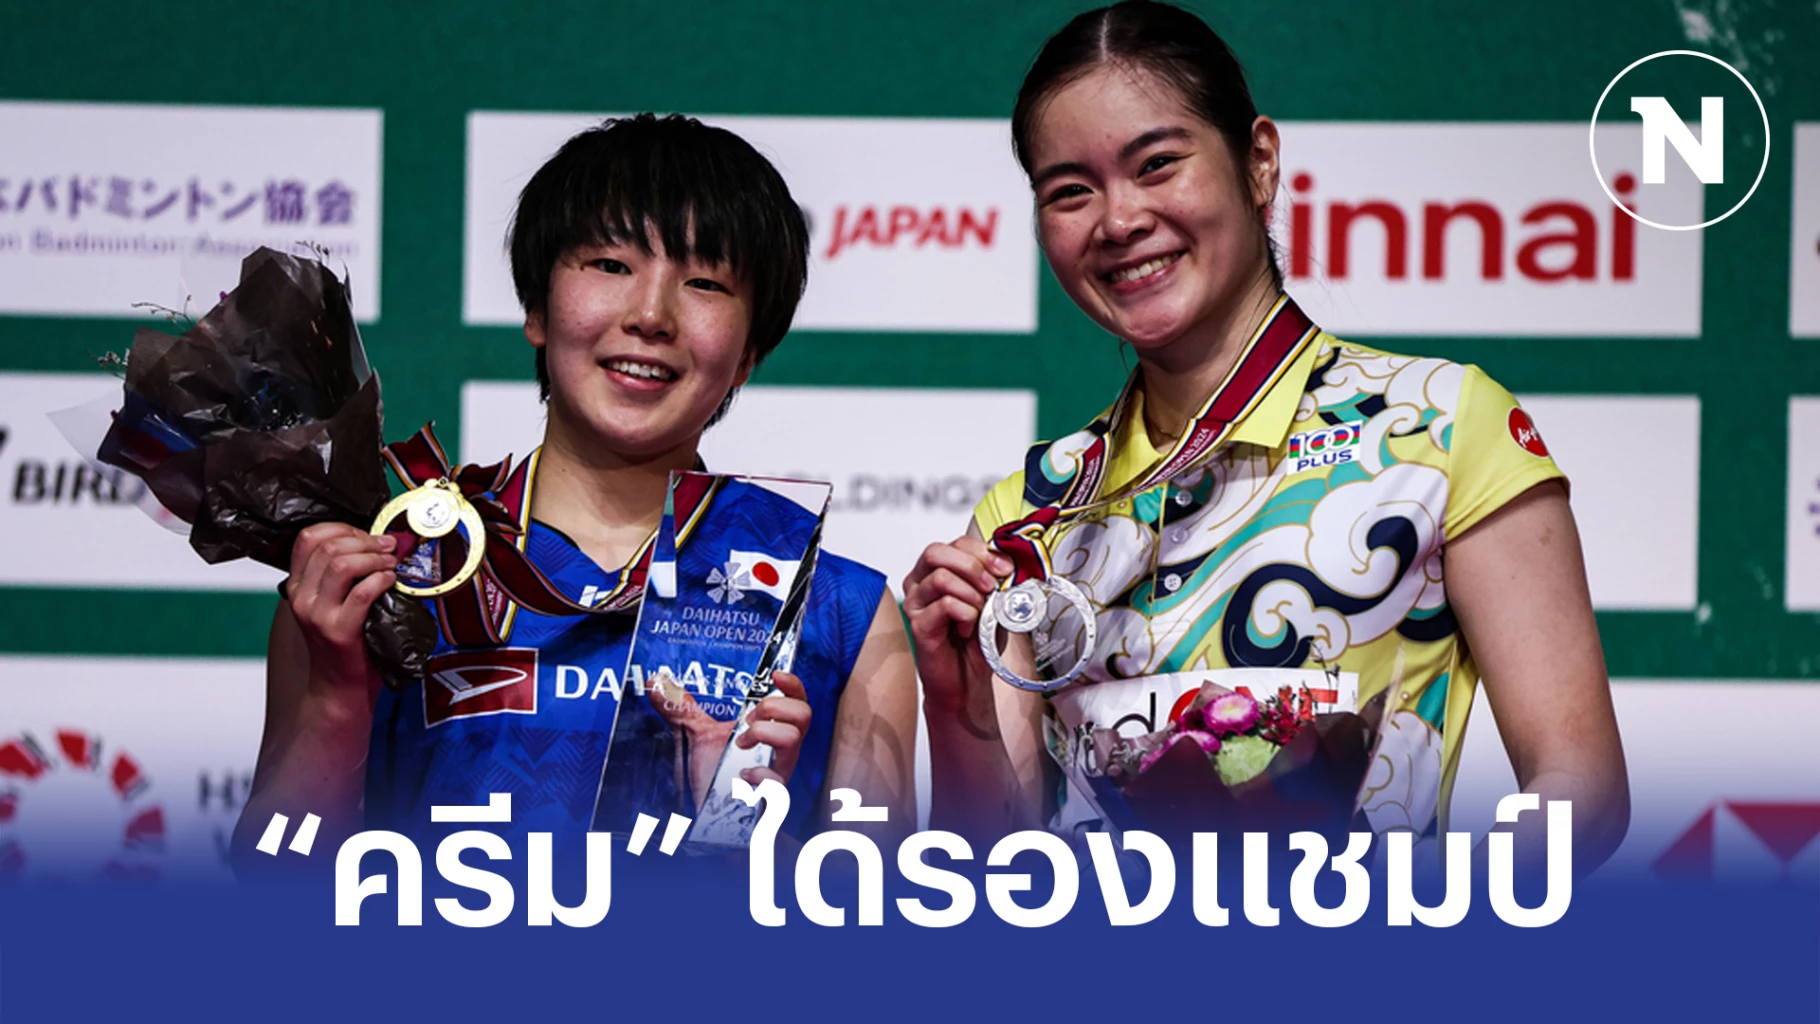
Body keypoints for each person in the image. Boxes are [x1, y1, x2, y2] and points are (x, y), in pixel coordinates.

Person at [906, 1, 1628, 871]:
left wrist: (1428, 912)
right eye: (1070, 191)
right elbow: (989, 862)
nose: (1119, 219)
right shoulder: (1026, 518)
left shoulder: (1441, 425)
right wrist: (958, 714)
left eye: (1157, 164)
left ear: (1259, 162)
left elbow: (1580, 785)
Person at [233, 114, 916, 867]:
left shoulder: (842, 614)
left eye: (704, 282)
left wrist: (742, 831)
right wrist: (334, 702)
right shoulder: (386, 575)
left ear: (749, 351)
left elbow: (879, 924)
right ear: (537, 306)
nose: (650, 316)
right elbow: (271, 890)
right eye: (611, 265)